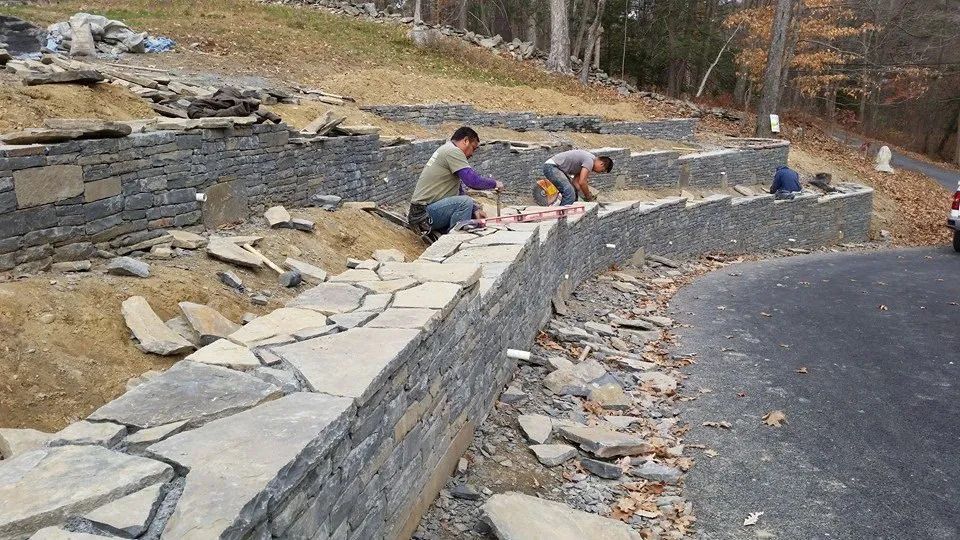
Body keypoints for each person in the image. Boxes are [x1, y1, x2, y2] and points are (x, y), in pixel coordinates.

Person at [408, 126, 503, 234]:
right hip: (422, 215)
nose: (472, 154)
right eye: (473, 148)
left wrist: (475, 210)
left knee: (470, 211)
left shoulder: (447, 149)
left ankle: (449, 231)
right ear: (465, 141)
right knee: (465, 203)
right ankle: (453, 239)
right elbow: (473, 181)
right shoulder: (453, 151)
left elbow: (459, 191)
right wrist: (495, 183)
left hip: (423, 212)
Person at [542, 149, 613, 205]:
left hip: (558, 169)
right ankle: (562, 217)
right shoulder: (589, 161)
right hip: (552, 166)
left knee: (573, 191)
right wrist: (588, 196)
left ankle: (571, 212)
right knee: (569, 192)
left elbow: (576, 183)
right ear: (601, 164)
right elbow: (582, 182)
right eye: (602, 171)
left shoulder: (587, 162)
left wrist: (584, 194)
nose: (599, 173)